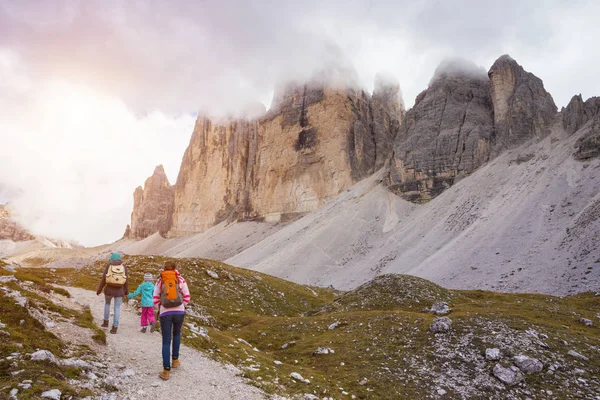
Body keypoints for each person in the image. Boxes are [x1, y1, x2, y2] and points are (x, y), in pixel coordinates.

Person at [153, 260, 191, 380]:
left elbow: (155, 298)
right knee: (176, 334)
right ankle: (175, 360)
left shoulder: (160, 280)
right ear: (175, 268)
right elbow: (187, 296)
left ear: (164, 268)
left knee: (166, 340)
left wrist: (161, 307)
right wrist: (182, 306)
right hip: (179, 312)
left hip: (165, 312)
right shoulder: (180, 279)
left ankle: (166, 371)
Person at [96, 252, 129, 334]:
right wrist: (126, 292)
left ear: (112, 258)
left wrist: (99, 290)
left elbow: (104, 278)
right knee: (117, 308)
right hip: (120, 291)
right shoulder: (124, 266)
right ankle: (115, 327)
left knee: (107, 304)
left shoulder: (109, 265)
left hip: (109, 290)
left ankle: (106, 322)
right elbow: (126, 280)